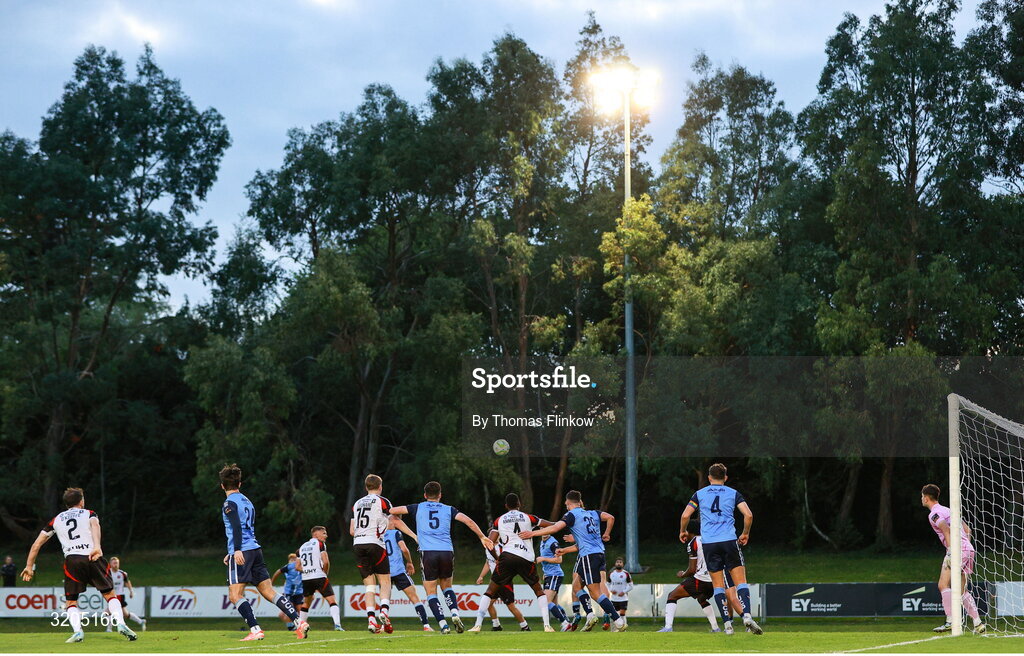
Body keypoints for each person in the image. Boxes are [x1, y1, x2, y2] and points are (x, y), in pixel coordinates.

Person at [20, 487, 137, 643]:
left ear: (66, 503)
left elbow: (37, 544)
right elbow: (95, 526)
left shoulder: (57, 519)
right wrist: (97, 546)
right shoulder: (89, 513)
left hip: (72, 560)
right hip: (92, 556)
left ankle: (78, 632)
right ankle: (121, 624)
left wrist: (29, 566)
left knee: (71, 601)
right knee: (110, 595)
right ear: (81, 500)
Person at [390, 480, 494, 634]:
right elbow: (469, 521)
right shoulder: (449, 509)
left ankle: (443, 625)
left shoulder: (417, 507)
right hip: (446, 552)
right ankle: (455, 613)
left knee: (431, 592)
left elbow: (392, 511)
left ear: (425, 495)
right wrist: (482, 537)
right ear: (440, 495)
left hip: (428, 552)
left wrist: (399, 517)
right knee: (447, 586)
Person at [219, 464, 306, 642]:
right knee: (269, 591)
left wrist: (235, 550)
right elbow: (245, 528)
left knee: (235, 595)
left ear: (222, 486)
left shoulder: (229, 503)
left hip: (242, 551)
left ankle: (255, 630)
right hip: (255, 550)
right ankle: (298, 621)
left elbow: (236, 526)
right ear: (240, 484)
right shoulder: (247, 501)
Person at [520, 490, 625, 632]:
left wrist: (532, 533)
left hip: (589, 556)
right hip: (596, 554)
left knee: (595, 592)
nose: (566, 507)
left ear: (568, 503)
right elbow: (611, 517)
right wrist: (606, 533)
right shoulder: (593, 513)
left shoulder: (572, 515)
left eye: (566, 505)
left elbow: (556, 527)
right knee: (576, 587)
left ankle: (618, 620)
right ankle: (590, 615)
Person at [678, 463, 763, 635]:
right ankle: (746, 616)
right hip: (729, 541)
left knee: (718, 586)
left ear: (709, 478)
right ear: (725, 477)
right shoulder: (733, 493)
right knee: (741, 582)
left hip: (709, 544)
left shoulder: (699, 494)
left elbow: (685, 515)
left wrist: (682, 531)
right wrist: (745, 533)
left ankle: (727, 625)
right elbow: (748, 515)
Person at [469, 493, 569, 633]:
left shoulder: (499, 520)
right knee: (539, 591)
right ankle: (547, 625)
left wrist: (497, 558)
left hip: (507, 557)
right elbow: (552, 525)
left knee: (490, 591)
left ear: (506, 506)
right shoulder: (529, 517)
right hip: (526, 558)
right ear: (519, 504)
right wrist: (564, 523)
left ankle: (477, 625)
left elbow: (489, 543)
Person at [351, 474, 414, 634]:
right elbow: (395, 519)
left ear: (366, 487)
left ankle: (371, 620)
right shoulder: (382, 501)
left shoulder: (357, 503)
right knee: (385, 581)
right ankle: (384, 611)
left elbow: (352, 530)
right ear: (380, 486)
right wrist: (414, 536)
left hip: (358, 544)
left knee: (369, 586)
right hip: (375, 543)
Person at [921, 484, 986, 634]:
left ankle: (950, 621)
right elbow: (968, 530)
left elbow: (946, 530)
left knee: (943, 585)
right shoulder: (949, 510)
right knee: (962, 590)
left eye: (922, 496)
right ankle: (978, 623)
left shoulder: (934, 514)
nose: (921, 499)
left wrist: (951, 552)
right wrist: (965, 546)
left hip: (956, 550)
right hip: (968, 549)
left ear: (926, 497)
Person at [658, 533, 742, 632]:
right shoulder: (714, 538)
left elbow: (692, 569)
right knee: (702, 599)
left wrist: (683, 574)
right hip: (716, 579)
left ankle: (668, 627)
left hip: (701, 579)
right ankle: (716, 628)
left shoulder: (694, 542)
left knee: (672, 596)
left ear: (690, 532)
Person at [382, 518, 433, 631]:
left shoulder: (378, 536)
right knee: (414, 597)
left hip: (385, 573)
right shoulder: (395, 533)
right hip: (399, 571)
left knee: (385, 599)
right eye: (393, 521)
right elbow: (404, 549)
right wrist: (409, 562)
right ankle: (426, 625)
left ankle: (382, 626)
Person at [296, 526, 344, 631]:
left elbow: (297, 567)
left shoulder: (302, 547)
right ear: (316, 534)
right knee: (332, 600)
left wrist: (308, 570)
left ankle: (301, 626)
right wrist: (324, 573)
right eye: (324, 533)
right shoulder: (320, 544)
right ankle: (337, 625)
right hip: (319, 576)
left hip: (306, 578)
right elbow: (325, 561)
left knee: (306, 603)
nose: (326, 536)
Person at [474, 543, 528, 631]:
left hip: (504, 581)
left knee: (511, 606)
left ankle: (525, 626)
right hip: (495, 582)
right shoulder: (488, 548)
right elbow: (488, 562)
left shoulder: (503, 547)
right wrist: (481, 576)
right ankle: (496, 625)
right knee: (488, 603)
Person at [104, 557, 146, 632]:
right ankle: (141, 621)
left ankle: (109, 629)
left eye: (117, 563)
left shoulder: (122, 574)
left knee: (108, 611)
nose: (116, 565)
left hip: (119, 595)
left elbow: (127, 582)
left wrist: (131, 591)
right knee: (125, 614)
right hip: (111, 595)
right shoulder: (108, 573)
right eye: (114, 563)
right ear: (110, 564)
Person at [536, 535, 566, 628]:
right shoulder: (543, 542)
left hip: (554, 574)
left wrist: (543, 558)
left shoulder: (553, 543)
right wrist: (545, 573)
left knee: (546, 601)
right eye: (543, 528)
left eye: (548, 529)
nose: (545, 532)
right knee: (554, 604)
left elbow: (559, 559)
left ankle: (565, 623)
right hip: (549, 575)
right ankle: (568, 622)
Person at [270, 554, 304, 631]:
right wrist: (271, 583)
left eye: (294, 559)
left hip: (299, 593)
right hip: (289, 593)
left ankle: (301, 626)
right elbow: (278, 572)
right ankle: (292, 627)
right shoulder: (289, 567)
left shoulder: (303, 567)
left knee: (300, 611)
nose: (292, 560)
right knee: (286, 612)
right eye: (291, 559)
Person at [605, 556, 632, 630]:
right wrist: (611, 590)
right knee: (614, 614)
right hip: (614, 598)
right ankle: (614, 630)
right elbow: (607, 584)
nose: (619, 564)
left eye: (620, 562)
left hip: (623, 598)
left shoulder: (626, 574)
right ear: (615, 564)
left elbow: (631, 585)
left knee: (622, 613)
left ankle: (623, 629)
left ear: (623, 564)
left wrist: (624, 592)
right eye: (617, 562)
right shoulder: (611, 574)